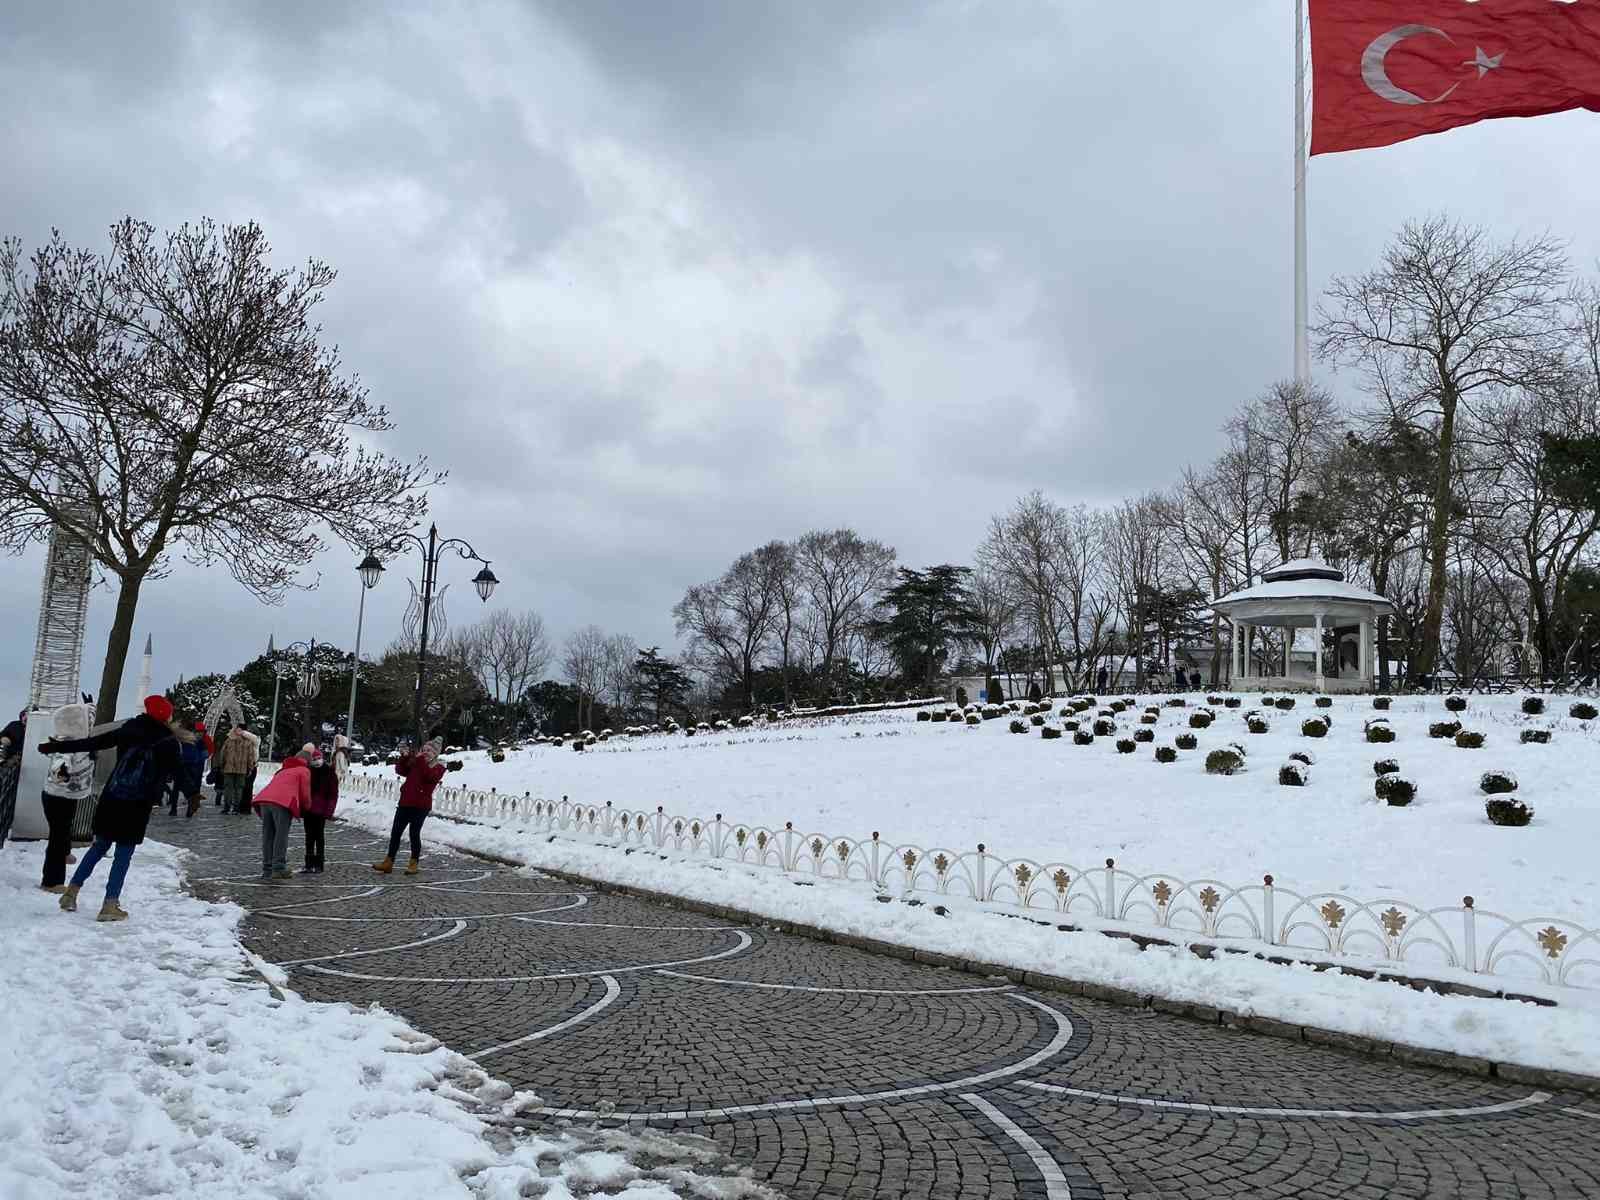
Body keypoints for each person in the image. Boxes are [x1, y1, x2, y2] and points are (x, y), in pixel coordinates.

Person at [42, 694, 197, 922]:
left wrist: (57, 746)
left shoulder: (129, 729)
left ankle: (71, 892)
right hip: (137, 803)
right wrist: (192, 794)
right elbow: (180, 772)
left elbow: (94, 742)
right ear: (165, 716)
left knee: (98, 847)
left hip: (112, 797)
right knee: (123, 855)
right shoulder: (168, 741)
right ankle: (110, 905)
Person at [38, 702, 96, 892]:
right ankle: (51, 881)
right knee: (57, 835)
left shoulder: (79, 742)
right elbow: (60, 762)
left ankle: (64, 852)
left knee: (64, 827)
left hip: (67, 796)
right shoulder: (67, 745)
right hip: (57, 797)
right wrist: (61, 772)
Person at [374, 739, 445, 875]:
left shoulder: (438, 767)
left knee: (414, 834)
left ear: (435, 754)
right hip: (405, 802)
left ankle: (413, 863)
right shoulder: (417, 762)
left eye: (429, 751)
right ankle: (388, 862)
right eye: (424, 749)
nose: (425, 752)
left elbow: (428, 777)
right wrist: (404, 757)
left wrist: (420, 761)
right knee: (395, 832)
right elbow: (401, 770)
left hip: (421, 806)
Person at [252, 750, 307, 880]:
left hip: (265, 801)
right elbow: (305, 794)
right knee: (280, 836)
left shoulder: (282, 770)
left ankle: (267, 869)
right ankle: (278, 868)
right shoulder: (303, 770)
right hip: (282, 804)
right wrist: (306, 808)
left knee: (268, 836)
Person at [302, 742, 339, 874]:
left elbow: (333, 794)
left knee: (319, 837)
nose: (317, 761)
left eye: (319, 759)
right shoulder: (307, 771)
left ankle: (319, 864)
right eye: (314, 759)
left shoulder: (329, 773)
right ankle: (308, 863)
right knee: (309, 837)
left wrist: (329, 811)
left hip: (321, 811)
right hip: (308, 810)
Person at [218, 722, 258, 816]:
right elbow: (250, 757)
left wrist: (222, 765)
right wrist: (250, 768)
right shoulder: (248, 742)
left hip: (229, 768)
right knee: (239, 789)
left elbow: (222, 754)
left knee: (228, 788)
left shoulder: (229, 740)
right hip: (242, 769)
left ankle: (226, 808)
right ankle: (236, 808)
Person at [174, 719, 210, 818]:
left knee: (178, 786)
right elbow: (206, 752)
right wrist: (199, 758)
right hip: (194, 764)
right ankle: (193, 800)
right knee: (192, 784)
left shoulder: (178, 737)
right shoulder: (197, 740)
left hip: (182, 763)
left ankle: (174, 808)